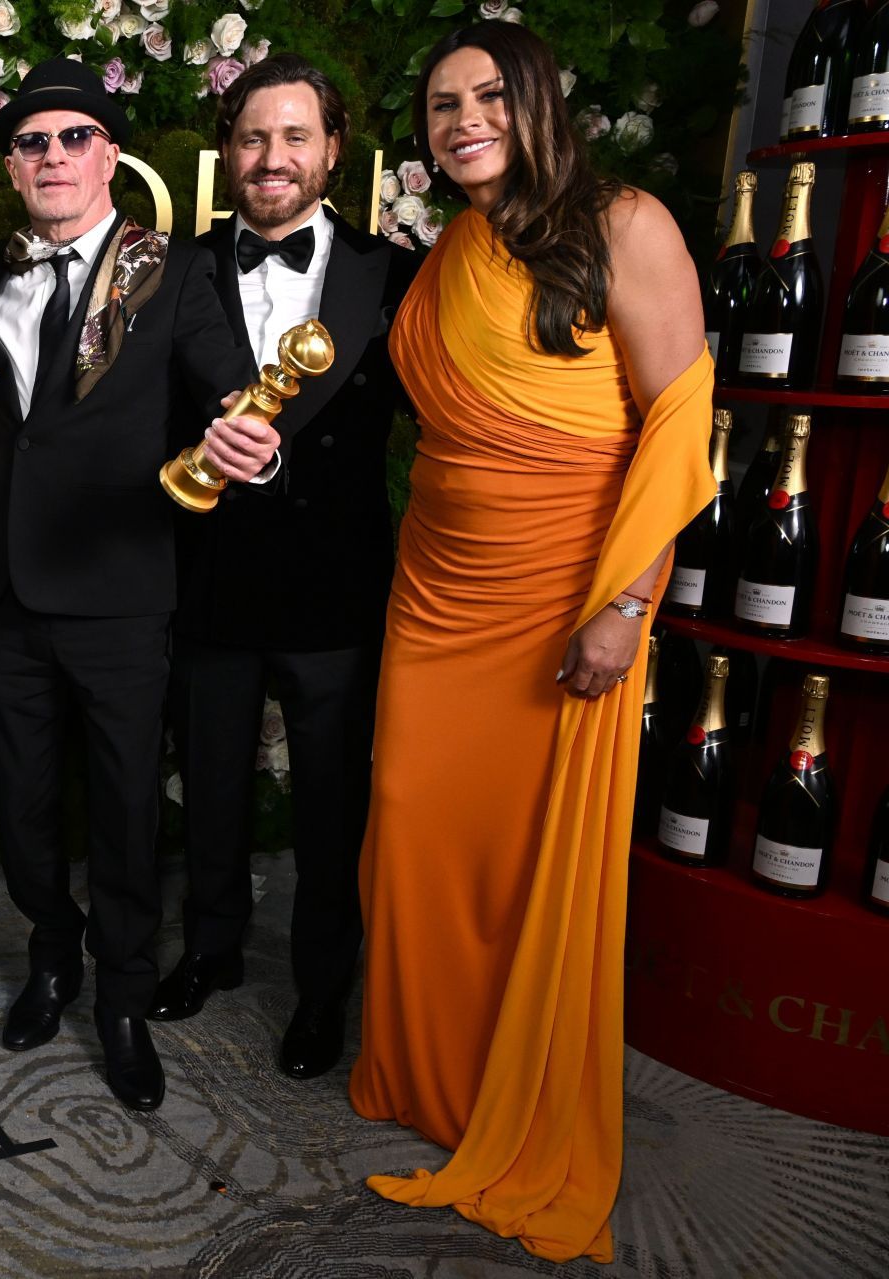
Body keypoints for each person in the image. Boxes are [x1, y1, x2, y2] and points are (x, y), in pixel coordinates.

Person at [339, 22, 714, 1263]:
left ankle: (517, 1097)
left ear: (539, 100)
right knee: (415, 830)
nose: (462, 122)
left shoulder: (627, 224)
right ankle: (430, 1079)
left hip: (566, 594)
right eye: (442, 105)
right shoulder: (450, 246)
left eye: (487, 96)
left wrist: (625, 606)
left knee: (525, 857)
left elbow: (677, 422)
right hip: (435, 593)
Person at [0, 58, 277, 1113]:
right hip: (3, 582)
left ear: (111, 156)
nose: (53, 156)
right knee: (24, 800)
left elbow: (234, 390)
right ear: (12, 163)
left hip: (123, 587)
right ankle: (53, 957)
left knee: (129, 806)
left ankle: (123, 998)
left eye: (73, 138)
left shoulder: (168, 272)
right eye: (33, 141)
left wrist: (250, 444)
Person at [151, 55, 416, 1082]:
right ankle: (211, 950)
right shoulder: (174, 269)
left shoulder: (391, 273)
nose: (273, 158)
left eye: (295, 136)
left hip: (335, 586)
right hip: (209, 575)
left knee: (329, 804)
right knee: (210, 785)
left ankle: (320, 986)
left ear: (333, 150)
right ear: (229, 150)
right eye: (254, 137)